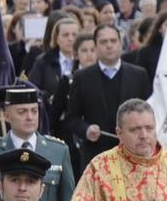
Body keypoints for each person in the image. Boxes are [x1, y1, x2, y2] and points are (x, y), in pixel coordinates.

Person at [64, 25, 151, 170]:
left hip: (133, 155)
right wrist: (86, 130)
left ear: (121, 44)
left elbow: (150, 114)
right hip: (96, 156)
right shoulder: (82, 77)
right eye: (104, 42)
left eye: (113, 41)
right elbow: (72, 118)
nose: (109, 46)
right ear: (96, 46)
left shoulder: (139, 75)